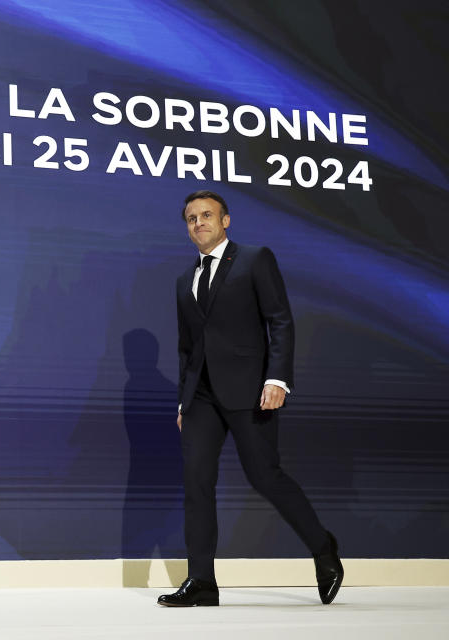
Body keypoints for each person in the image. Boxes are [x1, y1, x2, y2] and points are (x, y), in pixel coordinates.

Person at [157, 190, 343, 607]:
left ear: (226, 221)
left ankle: (322, 547)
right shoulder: (183, 282)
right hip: (201, 396)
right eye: (191, 218)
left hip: (250, 389)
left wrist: (277, 378)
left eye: (207, 215)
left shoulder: (256, 259)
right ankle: (201, 580)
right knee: (196, 483)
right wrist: (184, 402)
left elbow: (280, 320)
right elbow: (188, 349)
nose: (198, 222)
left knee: (264, 476)